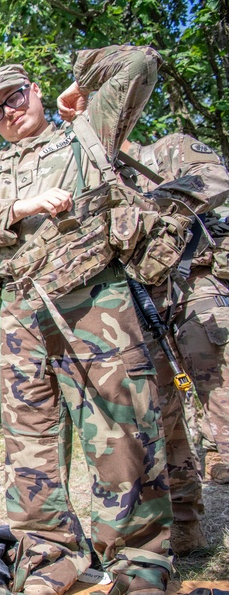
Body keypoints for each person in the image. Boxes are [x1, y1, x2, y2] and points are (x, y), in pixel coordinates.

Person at [0, 45, 173, 595]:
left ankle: (138, 558)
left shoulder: (88, 135)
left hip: (96, 300)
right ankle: (49, 553)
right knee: (29, 441)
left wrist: (80, 77)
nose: (8, 112)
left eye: (15, 97)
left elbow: (140, 64)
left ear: (37, 92)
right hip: (22, 309)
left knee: (120, 426)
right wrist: (24, 206)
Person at [123, 133, 229, 554]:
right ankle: (186, 524)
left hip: (196, 289)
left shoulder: (165, 151)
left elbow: (215, 178)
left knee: (222, 399)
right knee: (161, 416)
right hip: (143, 304)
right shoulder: (93, 177)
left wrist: (151, 207)